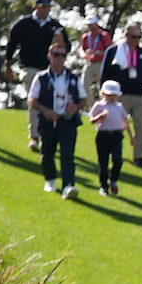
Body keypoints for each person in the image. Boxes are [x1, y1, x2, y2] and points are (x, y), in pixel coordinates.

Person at [96, 22, 142, 165]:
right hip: (119, 96)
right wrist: (105, 94)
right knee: (116, 126)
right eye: (133, 36)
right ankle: (114, 153)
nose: (135, 40)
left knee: (140, 127)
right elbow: (104, 74)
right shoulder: (113, 51)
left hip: (140, 95)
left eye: (138, 37)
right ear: (126, 35)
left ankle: (138, 156)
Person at [28, 40, 84, 199]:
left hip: (67, 120)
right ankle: (50, 180)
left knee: (67, 154)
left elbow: (84, 100)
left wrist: (76, 107)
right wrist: (45, 110)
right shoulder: (41, 77)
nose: (59, 58)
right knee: (47, 153)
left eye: (62, 55)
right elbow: (32, 99)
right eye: (56, 55)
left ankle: (68, 185)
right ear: (49, 56)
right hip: (48, 120)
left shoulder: (73, 77)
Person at [6, 0, 58, 144]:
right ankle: (35, 136)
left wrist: (60, 39)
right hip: (29, 68)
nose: (45, 9)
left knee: (48, 103)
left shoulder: (54, 25)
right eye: (42, 6)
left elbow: (66, 46)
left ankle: (47, 135)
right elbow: (12, 43)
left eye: (47, 7)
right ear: (35, 6)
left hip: (49, 69)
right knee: (35, 99)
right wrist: (7, 64)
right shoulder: (24, 24)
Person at [90, 80, 130, 196]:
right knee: (103, 162)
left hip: (117, 135)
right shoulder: (99, 105)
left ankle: (113, 180)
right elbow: (91, 120)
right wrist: (100, 117)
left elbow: (125, 121)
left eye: (114, 95)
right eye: (109, 95)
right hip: (103, 135)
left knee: (118, 160)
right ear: (103, 94)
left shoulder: (119, 107)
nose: (111, 97)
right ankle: (103, 186)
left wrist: (131, 136)